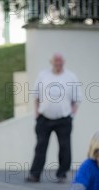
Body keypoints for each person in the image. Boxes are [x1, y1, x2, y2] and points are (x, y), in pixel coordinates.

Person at [26, 53, 82, 183]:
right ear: (51, 62)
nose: (58, 63)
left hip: (64, 119)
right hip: (44, 118)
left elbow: (77, 99)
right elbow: (36, 96)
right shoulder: (43, 75)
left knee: (65, 147)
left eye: (60, 61)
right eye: (56, 61)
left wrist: (72, 115)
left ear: (64, 62)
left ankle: (62, 174)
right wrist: (36, 113)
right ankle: (35, 174)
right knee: (40, 146)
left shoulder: (70, 77)